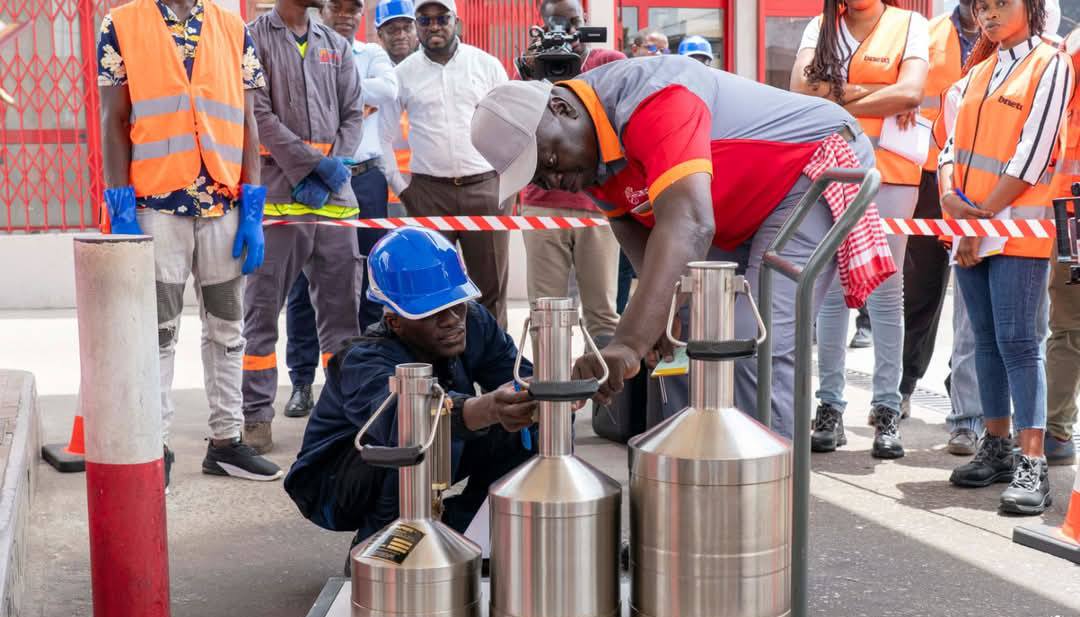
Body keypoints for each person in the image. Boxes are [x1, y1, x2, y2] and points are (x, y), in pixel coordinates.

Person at [471, 56, 892, 440]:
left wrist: (627, 343)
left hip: (811, 168)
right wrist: (656, 323)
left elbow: (689, 223)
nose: (555, 181)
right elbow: (632, 225)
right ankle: (688, 470)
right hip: (733, 207)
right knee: (679, 338)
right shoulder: (588, 154)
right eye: (539, 179)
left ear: (562, 108)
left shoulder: (657, 96)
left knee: (752, 337)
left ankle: (770, 482)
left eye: (549, 162)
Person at [97, 0, 283, 484]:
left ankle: (226, 442)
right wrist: (120, 209)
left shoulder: (232, 28)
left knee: (228, 328)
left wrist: (253, 209)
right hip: (155, 206)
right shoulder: (122, 23)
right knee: (158, 332)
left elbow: (248, 122)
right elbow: (113, 119)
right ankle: (153, 447)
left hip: (223, 204)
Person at [283, 227, 537, 554]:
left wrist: (555, 390)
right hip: (334, 484)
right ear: (395, 321)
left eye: (457, 303)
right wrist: (488, 408)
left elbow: (522, 378)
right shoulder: (363, 359)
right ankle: (384, 549)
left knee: (531, 423)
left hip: (423, 450)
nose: (452, 320)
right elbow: (400, 420)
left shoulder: (473, 322)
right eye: (432, 312)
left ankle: (466, 531)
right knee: (416, 438)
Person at [939, 0, 1071, 514]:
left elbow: (1033, 155)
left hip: (1014, 228)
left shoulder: (1050, 63)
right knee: (986, 340)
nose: (989, 14)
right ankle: (996, 446)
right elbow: (950, 146)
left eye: (1000, 4)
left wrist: (978, 219)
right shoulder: (980, 71)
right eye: (982, 7)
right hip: (971, 225)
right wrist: (949, 196)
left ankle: (1032, 462)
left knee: (1018, 342)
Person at [792, 0, 929, 460]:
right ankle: (829, 406)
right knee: (832, 290)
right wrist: (881, 95)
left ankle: (887, 408)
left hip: (892, 174)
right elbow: (799, 89)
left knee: (887, 291)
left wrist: (836, 97)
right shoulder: (821, 26)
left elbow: (911, 92)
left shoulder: (909, 25)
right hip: (833, 169)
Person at [244, 0, 366, 453]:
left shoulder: (336, 44)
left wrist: (332, 170)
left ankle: (343, 413)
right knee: (261, 313)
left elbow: (354, 114)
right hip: (279, 199)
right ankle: (256, 416)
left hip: (334, 202)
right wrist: (310, 168)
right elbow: (257, 116)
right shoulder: (252, 38)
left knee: (342, 320)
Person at [281, 0, 399, 420]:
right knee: (302, 285)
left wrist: (335, 82)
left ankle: (362, 376)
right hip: (306, 176)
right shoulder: (299, 48)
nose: (346, 14)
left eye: (355, 8)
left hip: (363, 180)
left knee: (366, 281)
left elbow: (388, 90)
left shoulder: (373, 54)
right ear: (323, 10)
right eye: (338, 6)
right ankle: (301, 381)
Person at [381, 0, 511, 328]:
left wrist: (507, 183)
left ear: (457, 21)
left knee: (491, 287)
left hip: (485, 189)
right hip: (427, 194)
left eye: (442, 18)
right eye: (425, 20)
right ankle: (439, 360)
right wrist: (402, 188)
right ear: (417, 26)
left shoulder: (486, 65)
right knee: (430, 288)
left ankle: (494, 358)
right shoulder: (403, 74)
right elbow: (381, 136)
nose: (434, 26)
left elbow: (511, 125)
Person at [898, 0, 983, 454]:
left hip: (982, 178)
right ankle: (905, 384)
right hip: (930, 176)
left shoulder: (1008, 39)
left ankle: (963, 393)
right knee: (922, 289)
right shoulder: (927, 35)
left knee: (973, 298)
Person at [517, 0, 623, 343]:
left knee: (602, 314)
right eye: (556, 23)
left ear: (586, 20)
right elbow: (514, 126)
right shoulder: (534, 64)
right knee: (545, 313)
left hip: (599, 205)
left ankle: (606, 378)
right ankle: (551, 378)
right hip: (543, 203)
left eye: (573, 21)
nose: (566, 31)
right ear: (542, 26)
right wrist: (530, 70)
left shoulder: (609, 62)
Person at [1044, 26, 1080, 467]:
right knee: (1069, 326)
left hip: (1072, 205)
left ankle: (1056, 432)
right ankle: (1055, 431)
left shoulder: (1071, 48)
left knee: (1069, 327)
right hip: (1071, 205)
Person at [375, 0, 418, 217]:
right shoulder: (373, 75)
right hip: (386, 190)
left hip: (431, 187)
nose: (401, 35)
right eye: (392, 30)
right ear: (380, 35)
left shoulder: (430, 73)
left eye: (407, 28)